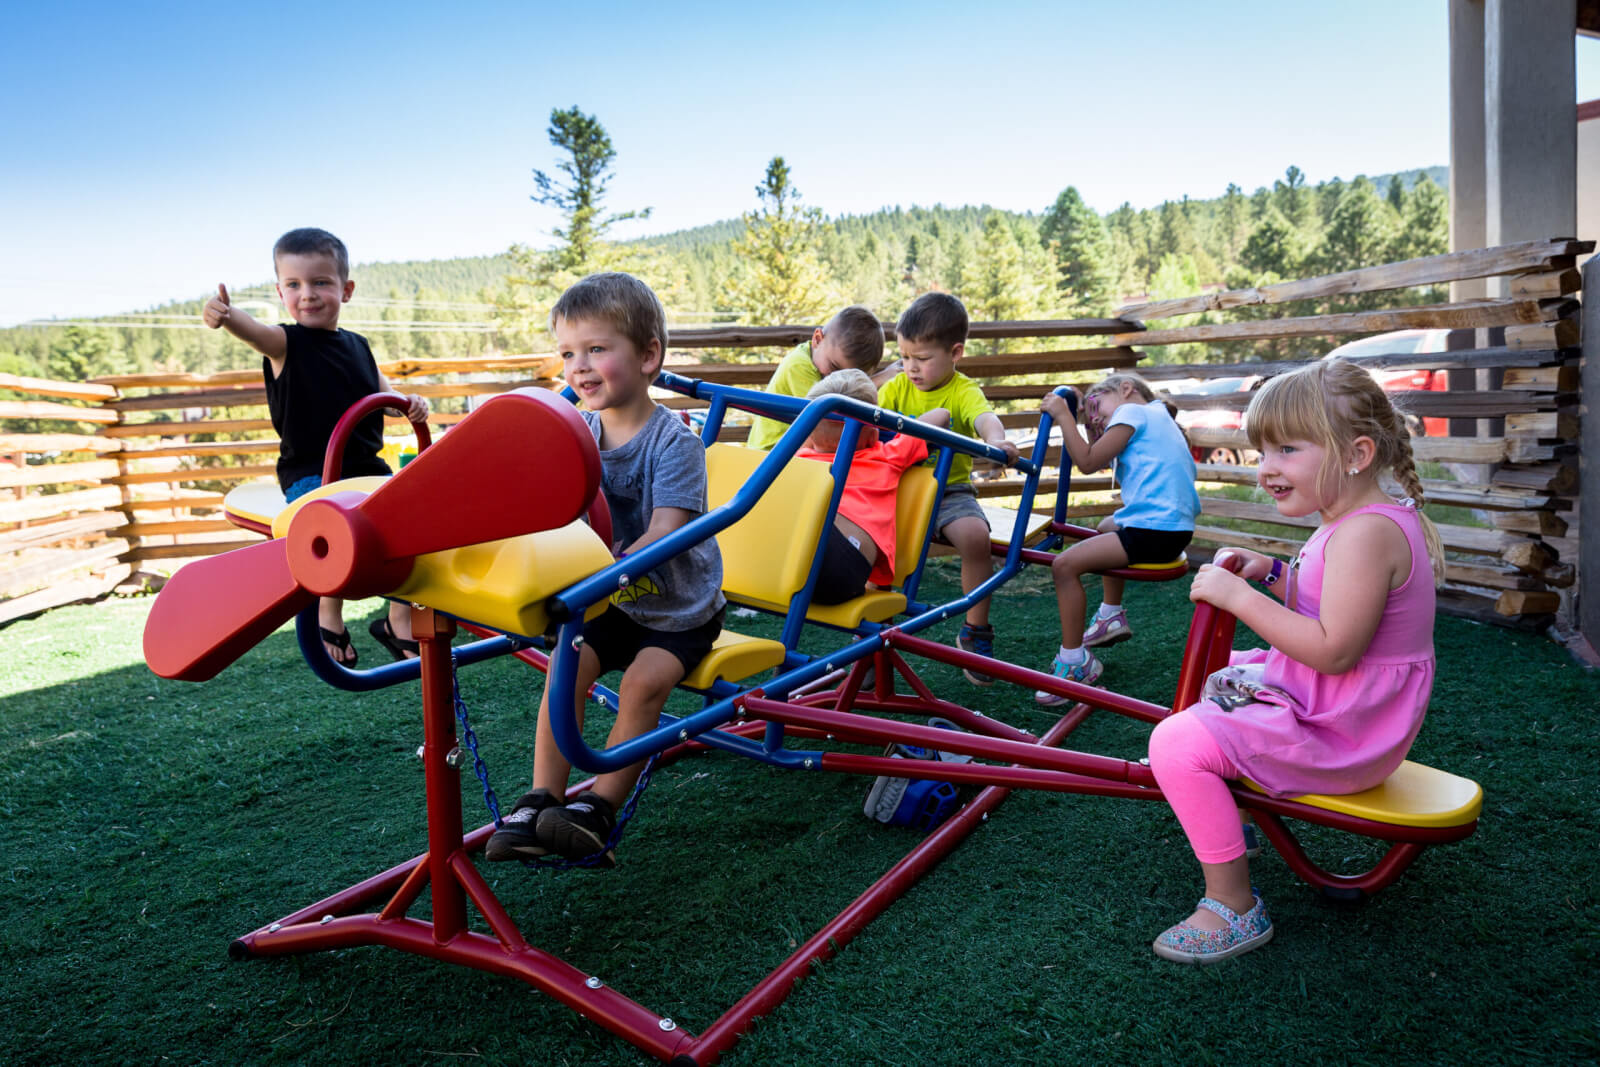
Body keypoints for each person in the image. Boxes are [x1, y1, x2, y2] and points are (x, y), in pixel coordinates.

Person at [1145, 359, 1444, 963]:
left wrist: (1240, 597)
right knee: (1222, 679)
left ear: (1356, 453)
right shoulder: (1356, 520)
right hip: (1342, 709)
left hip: (1344, 729)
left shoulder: (1364, 534)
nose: (1267, 469)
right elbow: (1327, 602)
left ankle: (1232, 905)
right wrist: (1276, 574)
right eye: (1263, 450)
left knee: (1174, 745)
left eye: (1286, 448)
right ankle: (1228, 812)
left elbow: (1334, 649)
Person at [486, 272, 724, 867]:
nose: (579, 367)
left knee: (643, 684)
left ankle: (598, 807)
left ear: (648, 357)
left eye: (596, 349)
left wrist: (606, 569)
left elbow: (668, 530)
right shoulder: (578, 432)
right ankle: (542, 796)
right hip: (609, 601)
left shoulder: (675, 443)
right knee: (566, 668)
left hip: (678, 611)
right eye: (568, 353)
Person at [202, 227, 429, 666]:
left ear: (345, 290)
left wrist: (411, 404)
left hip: (367, 467)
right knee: (335, 529)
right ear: (280, 291)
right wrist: (227, 316)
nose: (307, 294)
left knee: (417, 527)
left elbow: (389, 399)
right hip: (312, 471)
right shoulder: (285, 343)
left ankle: (398, 619)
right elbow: (255, 332)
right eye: (294, 285)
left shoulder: (359, 347)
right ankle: (329, 610)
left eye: (320, 282)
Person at [877, 293, 1018, 684]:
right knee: (875, 545)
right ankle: (873, 638)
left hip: (948, 491)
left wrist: (999, 440)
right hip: (897, 488)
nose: (910, 368)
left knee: (976, 537)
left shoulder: (961, 390)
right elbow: (872, 417)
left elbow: (984, 418)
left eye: (921, 359)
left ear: (955, 352)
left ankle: (975, 630)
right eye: (904, 357)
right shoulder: (895, 389)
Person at [1035, 373, 1199, 699]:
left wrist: (1064, 414)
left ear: (1126, 389)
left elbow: (1087, 460)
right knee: (1106, 527)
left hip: (1154, 529)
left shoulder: (1132, 411)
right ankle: (1110, 614)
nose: (1104, 423)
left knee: (1064, 566)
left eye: (1103, 415)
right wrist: (1085, 415)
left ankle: (1075, 662)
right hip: (1174, 530)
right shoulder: (1157, 416)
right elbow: (1096, 446)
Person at [794, 369, 948, 604]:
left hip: (839, 564)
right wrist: (885, 422)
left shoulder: (886, 456)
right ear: (872, 431)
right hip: (802, 562)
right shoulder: (886, 454)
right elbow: (940, 414)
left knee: (788, 499)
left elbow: (942, 417)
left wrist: (816, 423)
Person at [745, 305, 888, 451]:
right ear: (818, 339)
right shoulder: (799, 365)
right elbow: (827, 413)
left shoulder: (817, 358)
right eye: (834, 367)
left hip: (796, 446)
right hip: (772, 451)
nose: (837, 377)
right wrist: (879, 379)